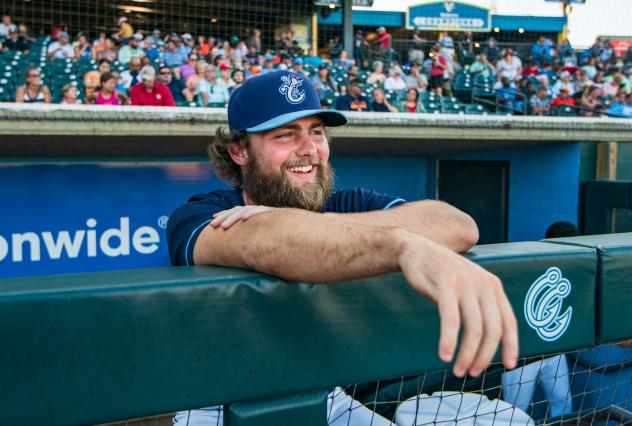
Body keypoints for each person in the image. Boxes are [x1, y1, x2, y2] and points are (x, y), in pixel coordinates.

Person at [167, 70, 518, 425]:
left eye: (316, 132)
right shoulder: (200, 214)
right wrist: (398, 241)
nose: (308, 149)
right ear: (240, 150)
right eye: (285, 135)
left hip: (329, 393)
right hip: (223, 398)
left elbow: (458, 225)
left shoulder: (348, 202)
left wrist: (395, 238)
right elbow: (270, 243)